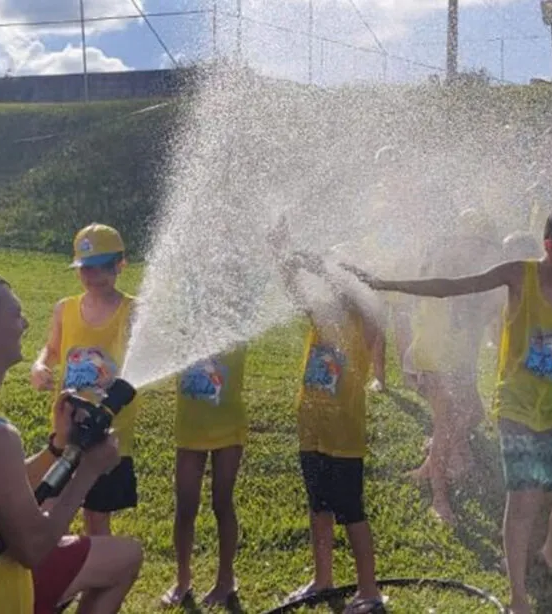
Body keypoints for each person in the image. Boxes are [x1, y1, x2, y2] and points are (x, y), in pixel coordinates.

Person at [348, 206, 552, 614]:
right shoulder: (519, 274)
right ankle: (519, 597)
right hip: (517, 407)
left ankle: (551, 549)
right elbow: (453, 286)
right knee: (523, 500)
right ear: (550, 247)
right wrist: (387, 283)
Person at [0, 273, 142, 614]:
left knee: (123, 555)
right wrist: (89, 471)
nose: (25, 323)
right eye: (15, 315)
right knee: (126, 556)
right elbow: (33, 548)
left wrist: (57, 448)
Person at [275, 247, 386, 614]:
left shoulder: (366, 318)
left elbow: (367, 298)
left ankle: (368, 591)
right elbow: (292, 288)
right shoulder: (321, 313)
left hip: (344, 434)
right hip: (311, 426)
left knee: (351, 511)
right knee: (318, 506)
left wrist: (329, 267)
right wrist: (283, 252)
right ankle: (323, 579)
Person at [31, 224, 141, 537]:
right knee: (56, 504)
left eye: (102, 268)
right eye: (85, 269)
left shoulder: (132, 310)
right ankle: (73, 572)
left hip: (108, 431)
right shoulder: (64, 309)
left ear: (121, 264)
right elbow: (52, 350)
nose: (93, 277)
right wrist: (39, 366)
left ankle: (98, 576)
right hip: (67, 426)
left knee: (96, 515)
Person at [401, 208, 503, 525]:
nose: (480, 252)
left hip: (459, 360)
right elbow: (431, 317)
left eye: (484, 246)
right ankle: (439, 500)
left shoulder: (475, 280)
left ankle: (432, 464)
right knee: (445, 426)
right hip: (437, 358)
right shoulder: (444, 273)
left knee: (474, 414)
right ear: (460, 242)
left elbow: (481, 318)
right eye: (475, 244)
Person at [161, 345, 249, 609]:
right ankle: (182, 580)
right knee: (185, 506)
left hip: (228, 427)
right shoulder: (185, 325)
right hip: (189, 428)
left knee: (222, 502)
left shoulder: (236, 323)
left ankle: (225, 580)